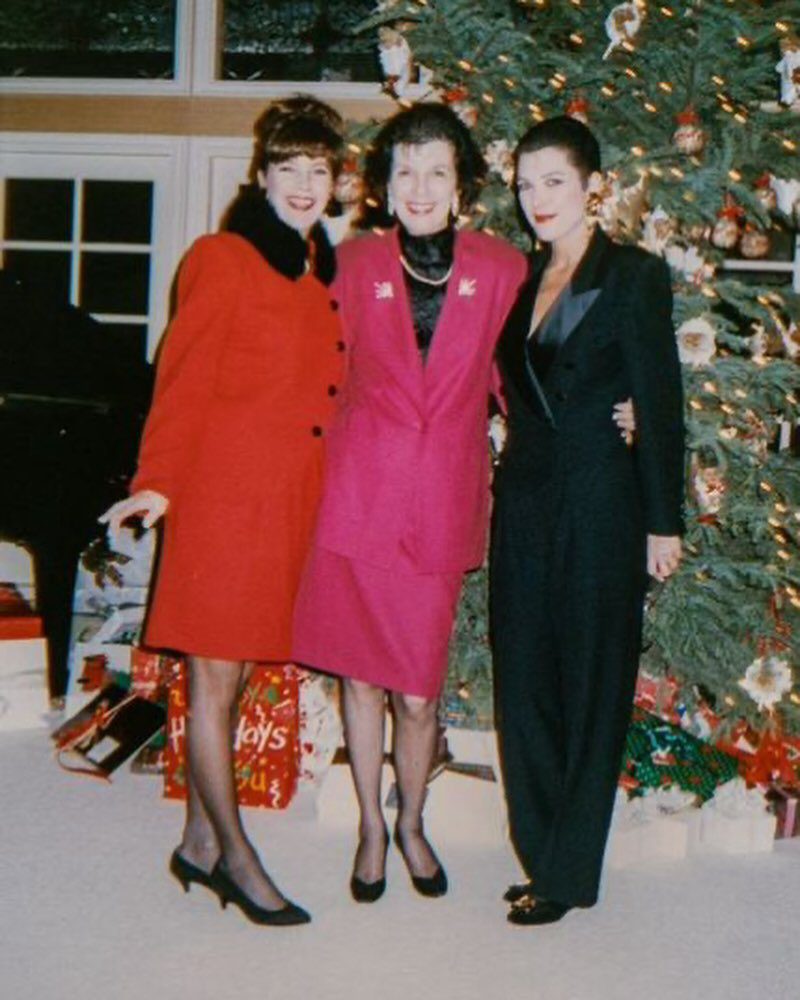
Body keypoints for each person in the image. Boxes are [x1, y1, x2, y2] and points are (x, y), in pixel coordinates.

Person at [291, 104, 633, 903]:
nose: (419, 187)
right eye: (404, 171)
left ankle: (414, 819)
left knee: (417, 690)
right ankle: (373, 830)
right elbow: (305, 368)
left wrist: (628, 405)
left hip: (442, 501)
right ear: (384, 184)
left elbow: (546, 372)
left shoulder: (504, 269)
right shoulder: (350, 263)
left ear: (462, 186)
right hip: (358, 497)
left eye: (436, 171)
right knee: (361, 681)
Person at [100, 95, 346, 927]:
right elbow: (183, 375)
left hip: (283, 507)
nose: (307, 183)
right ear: (262, 176)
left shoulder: (320, 273)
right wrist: (157, 479)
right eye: (291, 168)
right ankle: (238, 859)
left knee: (234, 680)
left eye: (321, 169)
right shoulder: (223, 256)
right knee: (212, 680)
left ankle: (197, 843)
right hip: (220, 503)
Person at [490, 116, 685, 926]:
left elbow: (661, 399)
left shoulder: (633, 274)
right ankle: (541, 852)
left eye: (554, 182)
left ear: (591, 186)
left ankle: (568, 873)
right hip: (526, 501)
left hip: (604, 503)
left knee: (593, 681)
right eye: (526, 183)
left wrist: (663, 520)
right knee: (525, 677)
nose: (537, 198)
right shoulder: (520, 278)